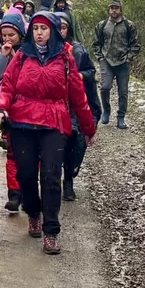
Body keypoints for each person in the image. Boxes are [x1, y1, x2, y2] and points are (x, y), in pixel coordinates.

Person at [0, 11, 96, 255]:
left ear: (52, 31)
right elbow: (8, 86)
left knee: (51, 176)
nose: (39, 33)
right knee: (26, 175)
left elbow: (78, 96)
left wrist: (88, 127)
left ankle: (51, 231)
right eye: (36, 29)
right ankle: (33, 213)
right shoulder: (21, 56)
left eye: (44, 28)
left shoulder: (65, 59)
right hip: (22, 123)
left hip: (54, 122)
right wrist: (2, 108)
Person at [55, 12, 102, 201]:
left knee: (75, 142)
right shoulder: (44, 51)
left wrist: (79, 76)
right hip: (55, 105)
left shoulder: (78, 50)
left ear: (69, 29)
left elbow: (91, 71)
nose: (60, 31)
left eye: (63, 27)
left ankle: (69, 179)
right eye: (57, 27)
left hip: (76, 104)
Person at [0, 12, 27, 213]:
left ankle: (28, 190)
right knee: (12, 153)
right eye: (4, 35)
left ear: (20, 34)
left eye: (11, 35)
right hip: (9, 108)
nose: (7, 38)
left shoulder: (30, 51)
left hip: (30, 108)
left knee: (30, 154)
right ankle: (14, 194)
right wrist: (4, 56)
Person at [93, 0, 141, 129]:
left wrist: (128, 58)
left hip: (123, 62)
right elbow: (96, 43)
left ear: (120, 10)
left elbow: (136, 44)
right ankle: (106, 111)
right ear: (109, 10)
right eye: (112, 8)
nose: (114, 10)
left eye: (116, 8)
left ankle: (121, 117)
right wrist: (100, 58)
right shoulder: (102, 25)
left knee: (123, 91)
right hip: (107, 61)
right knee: (105, 88)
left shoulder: (129, 25)